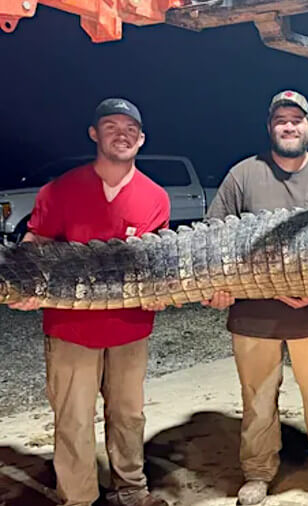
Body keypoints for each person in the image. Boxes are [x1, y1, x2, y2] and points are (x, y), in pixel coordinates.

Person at [203, 90, 308, 505]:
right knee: (257, 398)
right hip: (254, 314)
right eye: (281, 119)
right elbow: (212, 239)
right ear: (270, 128)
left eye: (297, 119)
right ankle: (258, 472)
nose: (289, 126)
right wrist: (217, 287)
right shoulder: (243, 176)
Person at [10, 98, 171, 506]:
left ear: (142, 139)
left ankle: (131, 489)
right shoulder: (59, 190)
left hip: (131, 328)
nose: (122, 134)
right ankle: (79, 498)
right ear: (94, 134)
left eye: (131, 129)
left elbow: (158, 264)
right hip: (70, 328)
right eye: (112, 126)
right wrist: (24, 288)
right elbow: (34, 248)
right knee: (74, 420)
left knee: (129, 416)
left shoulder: (155, 198)